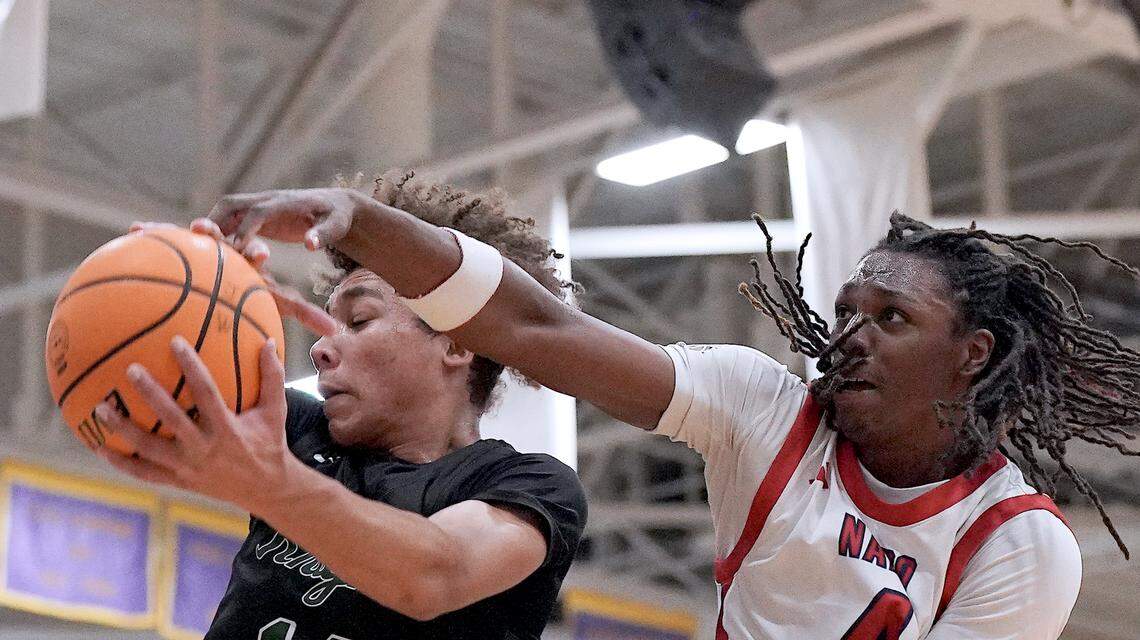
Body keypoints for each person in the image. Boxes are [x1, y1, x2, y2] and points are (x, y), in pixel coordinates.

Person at [205, 171, 1140, 639]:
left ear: (971, 356)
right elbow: (538, 332)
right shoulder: (765, 410)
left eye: (891, 318)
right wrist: (362, 218)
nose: (849, 335)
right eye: (846, 310)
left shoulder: (1018, 543)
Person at [94, 174, 587, 639]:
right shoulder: (297, 431)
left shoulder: (530, 485)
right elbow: (143, 389)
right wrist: (193, 277)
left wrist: (273, 481)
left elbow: (432, 576)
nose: (320, 348)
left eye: (359, 320)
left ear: (457, 343)